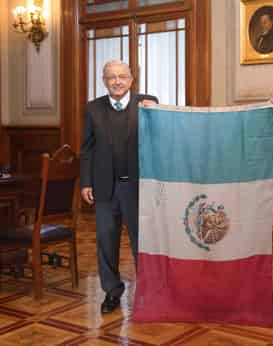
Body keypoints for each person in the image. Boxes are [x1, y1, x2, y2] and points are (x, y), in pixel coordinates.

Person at [80, 60, 158, 314]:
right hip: (104, 189)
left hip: (137, 188)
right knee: (106, 241)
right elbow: (87, 148)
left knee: (141, 242)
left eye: (122, 76)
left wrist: (158, 112)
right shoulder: (93, 109)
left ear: (131, 79)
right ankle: (112, 292)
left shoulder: (148, 103)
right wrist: (86, 182)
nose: (117, 81)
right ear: (104, 81)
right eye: (111, 77)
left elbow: (163, 134)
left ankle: (148, 293)